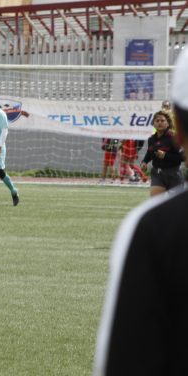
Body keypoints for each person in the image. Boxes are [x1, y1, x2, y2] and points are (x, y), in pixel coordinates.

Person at [93, 48, 188, 375]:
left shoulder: (154, 229)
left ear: (178, 122)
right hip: (160, 178)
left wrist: (168, 160)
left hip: (172, 178)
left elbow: (126, 356)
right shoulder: (156, 224)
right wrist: (146, 163)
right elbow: (150, 155)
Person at [139, 111, 185, 196]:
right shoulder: (151, 139)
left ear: (168, 124)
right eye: (157, 121)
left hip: (173, 175)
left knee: (175, 206)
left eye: (162, 121)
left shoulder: (173, 138)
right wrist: (144, 162)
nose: (160, 123)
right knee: (156, 202)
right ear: (153, 124)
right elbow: (149, 153)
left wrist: (165, 156)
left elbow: (183, 157)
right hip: (157, 174)